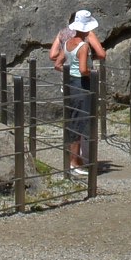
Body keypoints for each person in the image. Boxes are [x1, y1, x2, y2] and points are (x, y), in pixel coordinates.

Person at [49, 9, 108, 172]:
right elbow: (84, 69)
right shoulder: (83, 46)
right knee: (80, 123)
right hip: (81, 85)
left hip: (69, 84)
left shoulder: (67, 42)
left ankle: (71, 159)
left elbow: (57, 63)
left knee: (72, 121)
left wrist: (69, 72)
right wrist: (92, 73)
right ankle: (77, 161)